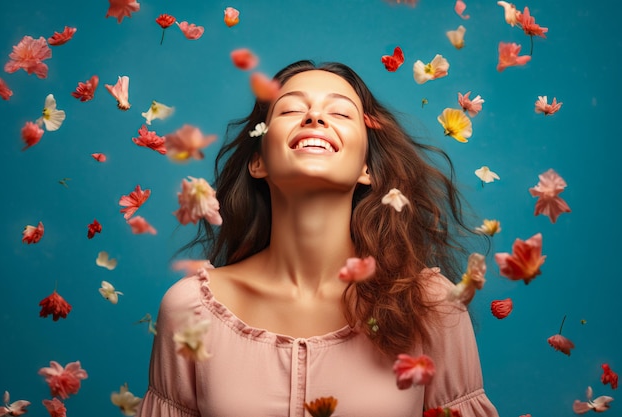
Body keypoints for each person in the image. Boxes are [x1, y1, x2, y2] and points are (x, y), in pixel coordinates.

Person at [136, 60, 499, 416]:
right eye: (292, 109)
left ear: (366, 169)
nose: (315, 117)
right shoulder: (189, 309)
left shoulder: (431, 306)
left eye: (340, 114)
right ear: (258, 162)